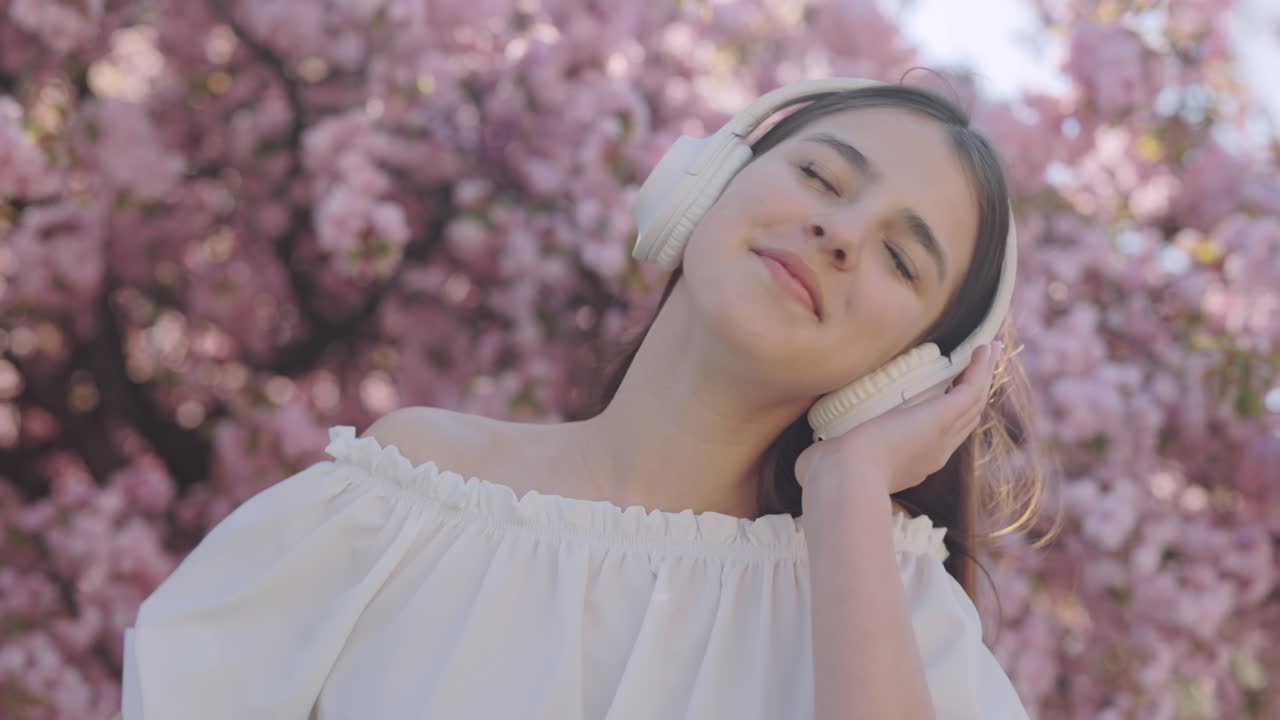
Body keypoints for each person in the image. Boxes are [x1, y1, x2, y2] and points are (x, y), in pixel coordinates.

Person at [119, 79, 1040, 719]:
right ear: (701, 183)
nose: (839, 231)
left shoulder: (892, 608)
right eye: (820, 177)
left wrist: (848, 492)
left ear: (909, 372)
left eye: (899, 258)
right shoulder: (404, 496)